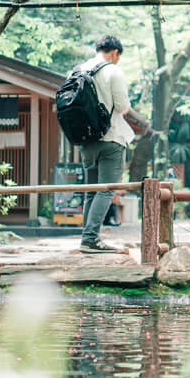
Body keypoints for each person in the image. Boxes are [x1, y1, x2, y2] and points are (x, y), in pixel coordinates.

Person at [75, 36, 147, 252]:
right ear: (115, 52)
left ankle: (87, 239)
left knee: (91, 191)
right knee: (106, 190)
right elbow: (123, 107)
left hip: (86, 140)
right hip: (111, 138)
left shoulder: (78, 70)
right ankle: (90, 239)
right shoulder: (113, 71)